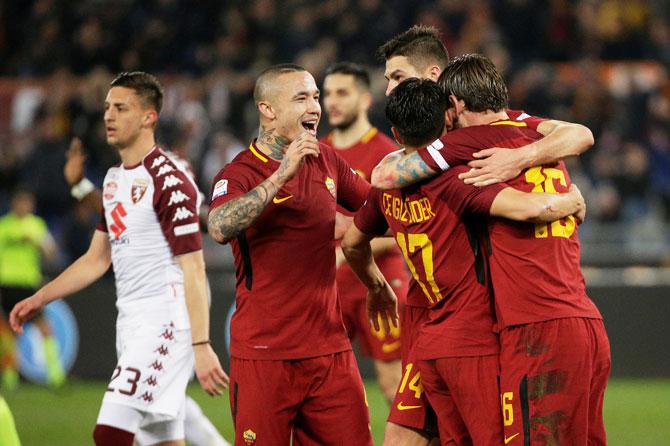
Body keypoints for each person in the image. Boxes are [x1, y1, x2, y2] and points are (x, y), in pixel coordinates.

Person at [372, 54, 611, 445]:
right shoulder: (535, 132)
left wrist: (517, 164)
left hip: (533, 327)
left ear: (455, 105)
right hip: (584, 320)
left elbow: (386, 174)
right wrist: (569, 196)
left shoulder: (462, 144)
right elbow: (582, 134)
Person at [10, 71, 228, 446]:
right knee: (160, 437)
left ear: (149, 117)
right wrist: (40, 298)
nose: (109, 115)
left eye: (121, 108)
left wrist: (201, 344)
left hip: (167, 320)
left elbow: (193, 265)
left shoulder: (169, 178)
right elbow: (96, 260)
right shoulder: (114, 179)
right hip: (132, 320)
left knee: (110, 432)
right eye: (108, 107)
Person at [207, 63, 373, 445]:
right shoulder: (239, 173)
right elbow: (218, 227)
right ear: (268, 110)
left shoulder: (327, 160)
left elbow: (377, 207)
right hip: (265, 353)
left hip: (329, 352)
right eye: (302, 98)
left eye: (315, 97)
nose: (315, 106)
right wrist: (282, 173)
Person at [64, 139, 231, 446]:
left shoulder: (168, 173)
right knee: (163, 405)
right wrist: (78, 186)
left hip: (178, 296)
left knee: (143, 409)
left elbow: (207, 219)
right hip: (153, 300)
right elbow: (110, 209)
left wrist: (233, 221)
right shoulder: (133, 178)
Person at [374, 25, 595, 190]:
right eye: (388, 80)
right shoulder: (430, 130)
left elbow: (580, 134)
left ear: (433, 75)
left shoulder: (481, 122)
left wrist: (520, 158)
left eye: (398, 77)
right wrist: (564, 203)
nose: (389, 90)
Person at [321, 61, 408, 404]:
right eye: (327, 94)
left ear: (365, 100)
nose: (332, 102)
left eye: (342, 93)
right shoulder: (317, 152)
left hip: (378, 282)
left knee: (393, 385)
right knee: (325, 390)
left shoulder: (386, 154)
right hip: (331, 288)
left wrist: (346, 250)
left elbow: (401, 227)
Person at [0, 189, 63, 390]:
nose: (25, 206)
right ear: (14, 204)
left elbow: (51, 251)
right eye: (21, 202)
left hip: (28, 285)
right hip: (7, 284)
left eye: (28, 203)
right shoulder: (4, 226)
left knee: (45, 328)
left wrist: (38, 244)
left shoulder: (37, 226)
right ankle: (10, 378)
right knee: (8, 332)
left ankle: (55, 375)